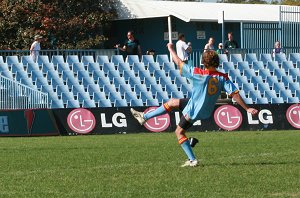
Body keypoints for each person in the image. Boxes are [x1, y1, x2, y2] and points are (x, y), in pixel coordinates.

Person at [131, 43, 259, 167]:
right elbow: (234, 94)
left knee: (179, 132)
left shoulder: (198, 73)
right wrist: (247, 108)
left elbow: (179, 62)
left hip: (194, 109)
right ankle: (145, 117)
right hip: (203, 108)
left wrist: (170, 49)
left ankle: (192, 160)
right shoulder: (222, 77)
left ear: (203, 62)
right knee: (172, 102)